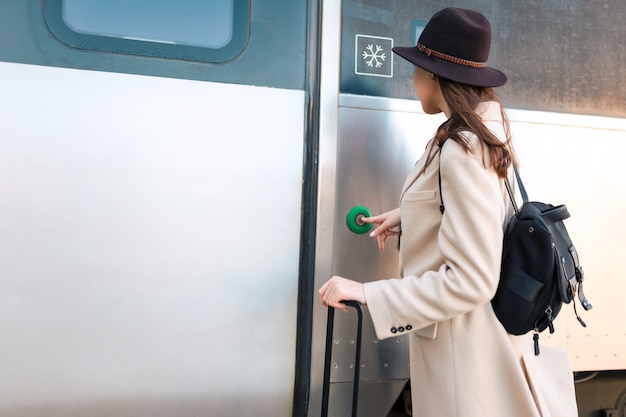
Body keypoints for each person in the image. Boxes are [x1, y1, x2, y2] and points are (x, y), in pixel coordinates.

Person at [319, 7, 578, 417]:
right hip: (471, 343)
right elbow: (486, 211)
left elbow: (472, 280)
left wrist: (368, 292)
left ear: (434, 76)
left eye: (417, 68)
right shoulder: (481, 131)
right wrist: (407, 213)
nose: (413, 78)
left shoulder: (461, 147)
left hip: (466, 359)